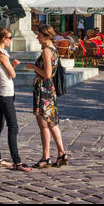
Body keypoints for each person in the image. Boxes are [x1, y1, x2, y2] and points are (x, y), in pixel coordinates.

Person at [0, 27, 33, 172]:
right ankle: (17, 162)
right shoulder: (2, 54)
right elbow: (12, 74)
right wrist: (13, 65)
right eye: (9, 37)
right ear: (3, 39)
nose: (10, 40)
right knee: (13, 127)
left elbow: (2, 72)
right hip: (5, 93)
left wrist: (10, 66)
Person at [25, 24, 68, 169]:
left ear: (46, 37)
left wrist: (33, 67)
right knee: (51, 123)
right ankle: (61, 153)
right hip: (49, 91)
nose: (37, 37)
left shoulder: (46, 51)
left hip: (44, 90)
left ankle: (46, 157)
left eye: (39, 35)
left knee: (44, 124)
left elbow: (48, 74)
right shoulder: (54, 49)